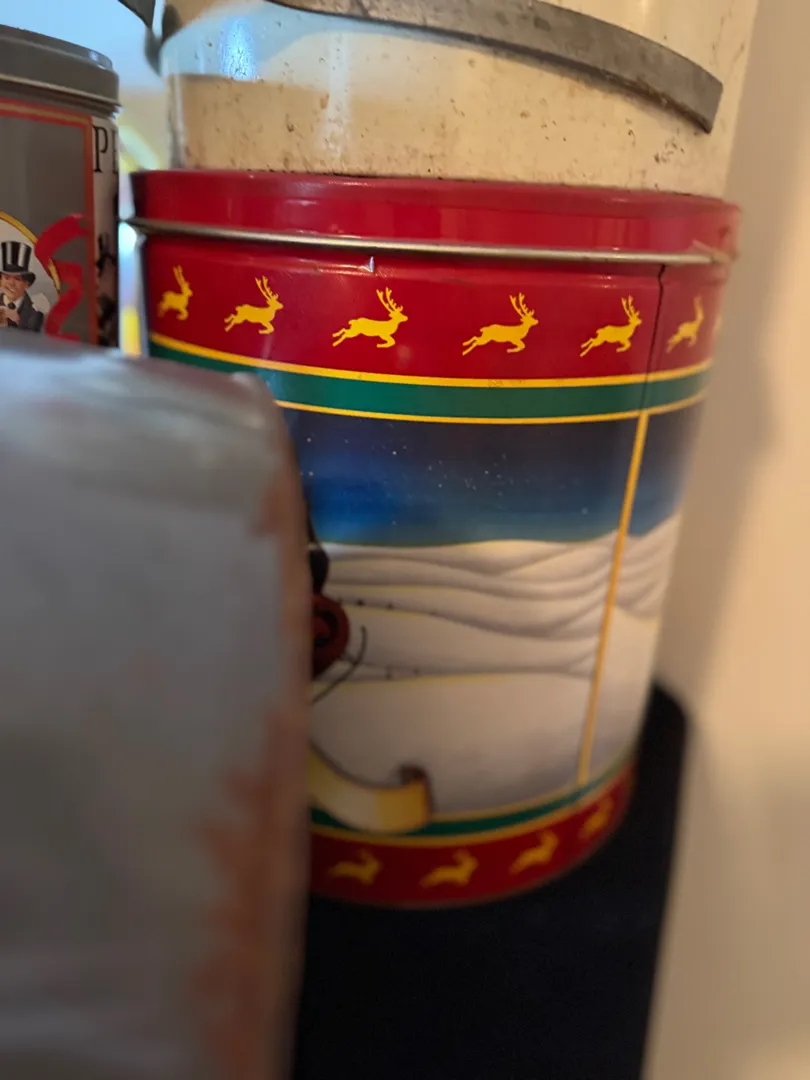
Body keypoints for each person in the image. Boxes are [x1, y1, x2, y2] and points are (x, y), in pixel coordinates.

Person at [0, 240, 45, 332]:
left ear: (26, 284)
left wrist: (17, 320)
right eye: (7, 278)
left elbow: (32, 335)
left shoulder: (35, 312)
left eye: (17, 279)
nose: (11, 283)